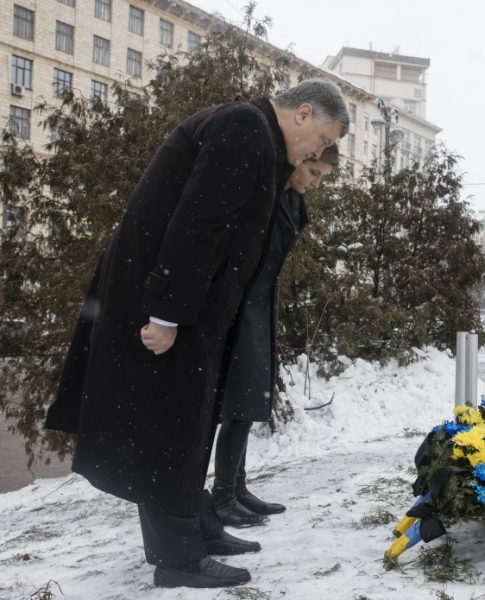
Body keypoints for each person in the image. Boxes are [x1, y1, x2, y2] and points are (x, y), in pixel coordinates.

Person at [44, 79, 349, 589]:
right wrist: (166, 315)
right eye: (322, 140)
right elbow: (199, 222)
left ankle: (192, 525)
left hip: (189, 306)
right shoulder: (245, 127)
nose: (319, 153)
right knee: (172, 422)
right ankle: (178, 558)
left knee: (185, 418)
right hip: (166, 304)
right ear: (302, 113)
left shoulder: (256, 135)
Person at [212, 145, 340, 528]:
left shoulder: (289, 199)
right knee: (239, 403)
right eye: (314, 173)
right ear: (299, 160)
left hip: (261, 304)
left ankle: (236, 489)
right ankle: (222, 498)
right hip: (241, 307)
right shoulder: (265, 195)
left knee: (250, 398)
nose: (316, 184)